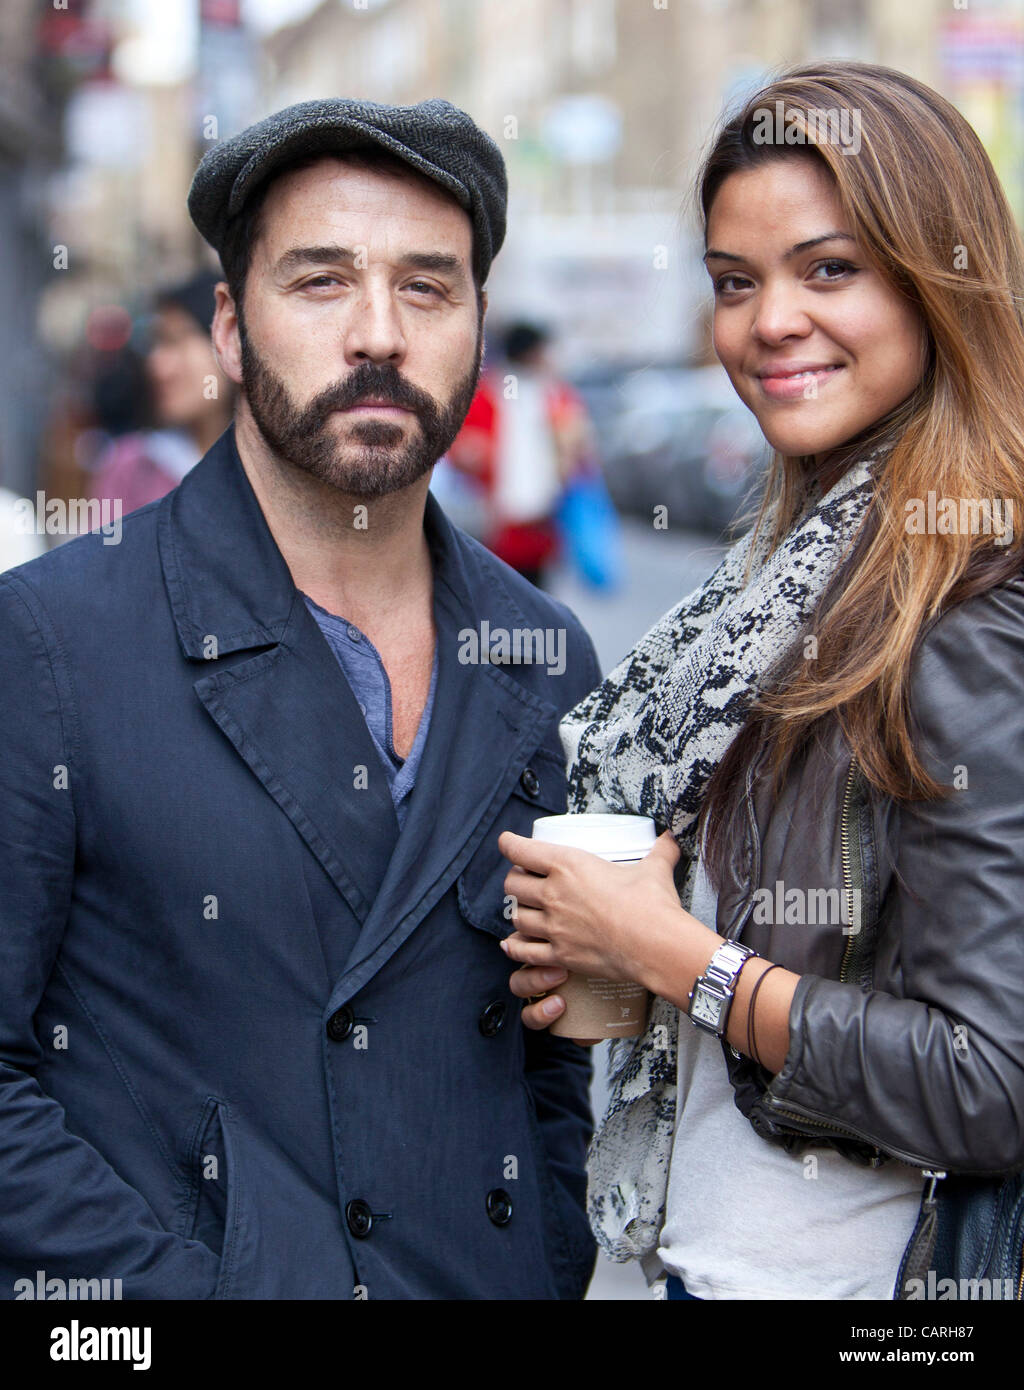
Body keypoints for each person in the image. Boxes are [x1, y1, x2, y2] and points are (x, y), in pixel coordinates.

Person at [0, 98, 601, 1300]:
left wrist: (546, 1249)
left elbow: (546, 1064)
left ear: (477, 324)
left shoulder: (544, 655)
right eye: (321, 282)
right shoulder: (54, 640)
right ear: (231, 325)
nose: (377, 334)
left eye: (428, 288)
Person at [498, 61, 1024, 1300]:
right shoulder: (789, 576)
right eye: (735, 283)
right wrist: (616, 942)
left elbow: (989, 1078)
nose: (768, 320)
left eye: (827, 268)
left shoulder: (962, 602)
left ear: (936, 277)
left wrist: (677, 956)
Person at [450, 321, 594, 587]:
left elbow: (581, 447)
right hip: (497, 522)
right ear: (532, 352)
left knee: (531, 595)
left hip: (542, 520)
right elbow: (462, 450)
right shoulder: (489, 393)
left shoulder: (554, 394)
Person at [87, 271, 235, 516]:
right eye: (156, 344)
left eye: (175, 341)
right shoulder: (132, 467)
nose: (157, 365)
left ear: (231, 340)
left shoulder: (274, 470)